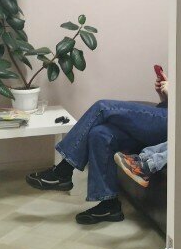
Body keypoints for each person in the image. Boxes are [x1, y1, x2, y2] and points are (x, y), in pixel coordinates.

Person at [26, 73, 168, 224]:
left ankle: (62, 171)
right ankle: (109, 205)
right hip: (165, 115)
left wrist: (172, 91)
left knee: (102, 107)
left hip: (172, 119)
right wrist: (164, 95)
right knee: (100, 134)